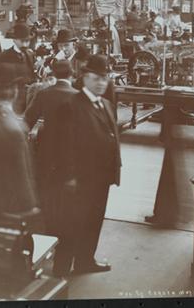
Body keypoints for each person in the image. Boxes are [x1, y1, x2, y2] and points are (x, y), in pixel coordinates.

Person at [55, 55, 121, 276]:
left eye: (105, 78)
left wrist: (115, 169)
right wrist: (69, 177)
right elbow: (64, 145)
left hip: (102, 178)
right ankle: (61, 269)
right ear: (84, 78)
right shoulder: (71, 105)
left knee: (94, 221)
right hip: (80, 180)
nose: (101, 83)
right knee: (72, 224)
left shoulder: (107, 104)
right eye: (96, 78)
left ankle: (85, 261)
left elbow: (111, 137)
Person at [0, 65, 42, 226]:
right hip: (11, 205)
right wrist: (29, 204)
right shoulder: (13, 126)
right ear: (14, 92)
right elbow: (21, 168)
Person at [23, 60, 77, 246]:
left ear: (53, 74)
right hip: (70, 153)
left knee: (47, 191)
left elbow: (28, 120)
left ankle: (49, 230)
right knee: (66, 195)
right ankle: (64, 233)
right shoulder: (77, 96)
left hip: (46, 150)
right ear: (72, 74)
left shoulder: (44, 94)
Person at [0, 23, 37, 113]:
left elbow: (32, 74)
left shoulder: (30, 54)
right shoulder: (4, 57)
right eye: (22, 41)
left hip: (28, 97)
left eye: (27, 41)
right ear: (14, 40)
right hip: (12, 98)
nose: (25, 44)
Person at [73, 46, 117, 120]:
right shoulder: (80, 81)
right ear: (86, 77)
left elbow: (112, 108)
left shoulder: (108, 83)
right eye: (96, 79)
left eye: (103, 79)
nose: (101, 83)